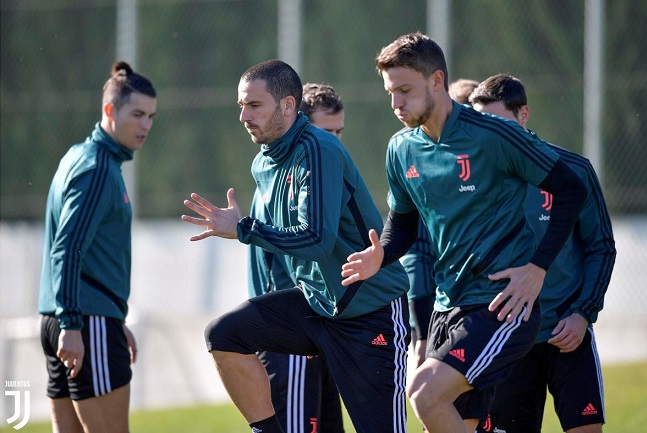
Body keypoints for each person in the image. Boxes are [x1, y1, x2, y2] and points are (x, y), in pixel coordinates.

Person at [340, 32, 587, 433]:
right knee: (454, 420)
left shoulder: (493, 135)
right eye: (390, 92)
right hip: (446, 305)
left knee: (423, 393)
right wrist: (380, 256)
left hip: (500, 306)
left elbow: (570, 188)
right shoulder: (401, 149)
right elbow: (402, 224)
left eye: (404, 90)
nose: (395, 103)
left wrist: (537, 268)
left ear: (436, 81)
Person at [182, 59, 410, 433]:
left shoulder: (318, 149)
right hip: (316, 305)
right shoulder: (264, 162)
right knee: (224, 334)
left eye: (254, 105)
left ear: (288, 106)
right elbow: (278, 246)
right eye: (241, 105)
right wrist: (247, 231)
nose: (243, 115)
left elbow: (316, 241)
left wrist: (242, 228)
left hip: (370, 311)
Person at [470, 74, 616, 433]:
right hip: (507, 337)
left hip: (567, 332)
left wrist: (583, 314)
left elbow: (601, 247)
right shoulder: (473, 181)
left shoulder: (572, 171)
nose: (492, 137)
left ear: (524, 115)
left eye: (499, 124)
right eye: (482, 126)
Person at [39, 61, 157, 433]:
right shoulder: (96, 169)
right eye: (137, 114)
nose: (146, 125)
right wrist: (78, 323)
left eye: (151, 116)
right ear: (110, 111)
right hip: (83, 322)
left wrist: (110, 319)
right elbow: (68, 248)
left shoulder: (82, 157)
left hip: (71, 317)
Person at [248, 82, 346, 433]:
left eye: (339, 132)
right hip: (292, 334)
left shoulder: (315, 176)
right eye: (326, 131)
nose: (334, 141)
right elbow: (281, 273)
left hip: (319, 330)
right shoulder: (285, 183)